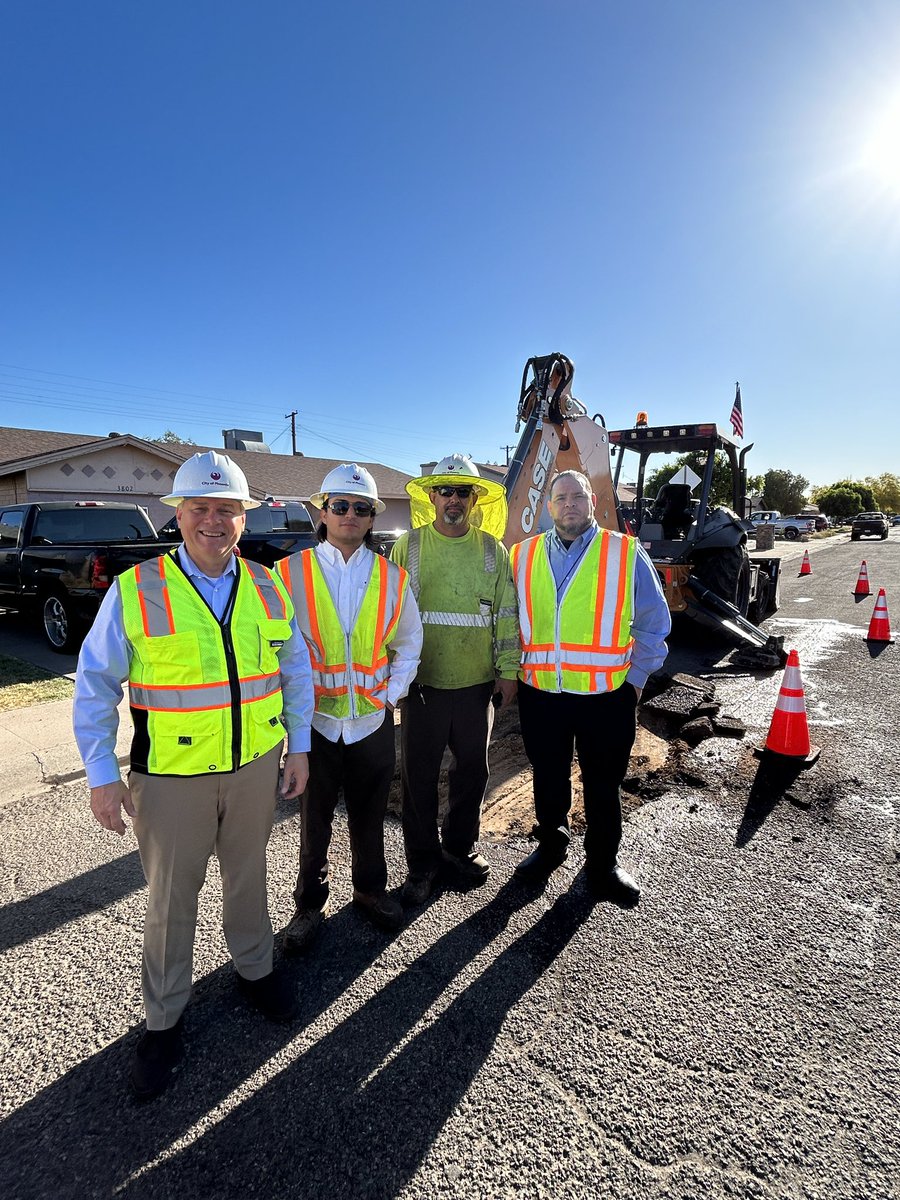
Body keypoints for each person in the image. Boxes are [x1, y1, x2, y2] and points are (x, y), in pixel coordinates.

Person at [73, 450, 314, 1101]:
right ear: (177, 514)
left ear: (243, 516)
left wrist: (299, 748)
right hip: (172, 776)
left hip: (254, 767)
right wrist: (100, 770)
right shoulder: (137, 588)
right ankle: (164, 1019)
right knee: (171, 901)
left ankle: (256, 970)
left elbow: (295, 669)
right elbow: (95, 685)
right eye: (200, 508)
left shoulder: (268, 586)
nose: (213, 521)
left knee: (248, 877)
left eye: (226, 509)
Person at [274, 464, 422, 952]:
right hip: (315, 724)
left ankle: (370, 890)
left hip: (371, 723)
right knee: (314, 821)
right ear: (322, 511)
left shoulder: (391, 577)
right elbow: (274, 650)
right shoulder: (286, 574)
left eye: (362, 508)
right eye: (340, 506)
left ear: (372, 517)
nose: (350, 515)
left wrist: (390, 692)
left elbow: (410, 642)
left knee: (370, 814)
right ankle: (308, 906)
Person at [510, 469, 671, 902]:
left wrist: (634, 682)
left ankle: (602, 865)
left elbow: (655, 622)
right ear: (548, 506)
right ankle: (550, 846)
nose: (569, 505)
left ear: (592, 503)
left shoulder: (624, 552)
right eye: (560, 498)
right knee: (547, 777)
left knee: (603, 785)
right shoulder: (521, 556)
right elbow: (510, 622)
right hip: (542, 693)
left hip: (606, 697)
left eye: (577, 497)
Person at [391, 453, 519, 906]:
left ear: (473, 500)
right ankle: (422, 865)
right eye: (445, 490)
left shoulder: (491, 550)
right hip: (422, 686)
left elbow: (505, 614)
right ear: (431, 496)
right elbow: (392, 616)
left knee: (473, 773)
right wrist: (395, 676)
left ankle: (459, 851)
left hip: (475, 686)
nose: (453, 499)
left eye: (462, 491)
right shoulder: (409, 546)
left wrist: (507, 672)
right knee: (418, 778)